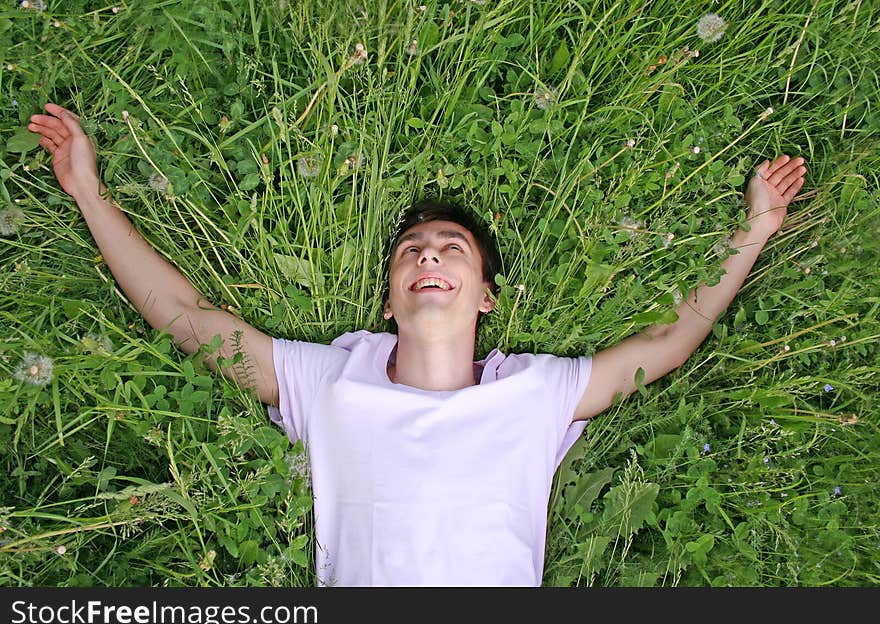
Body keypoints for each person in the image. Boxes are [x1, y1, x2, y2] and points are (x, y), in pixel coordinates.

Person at [27, 102, 806, 586]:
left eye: (450, 248)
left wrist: (755, 229)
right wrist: (88, 194)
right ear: (392, 297)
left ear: (486, 296)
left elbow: (672, 338)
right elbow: (188, 316)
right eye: (411, 251)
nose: (428, 255)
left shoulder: (536, 393)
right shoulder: (329, 382)